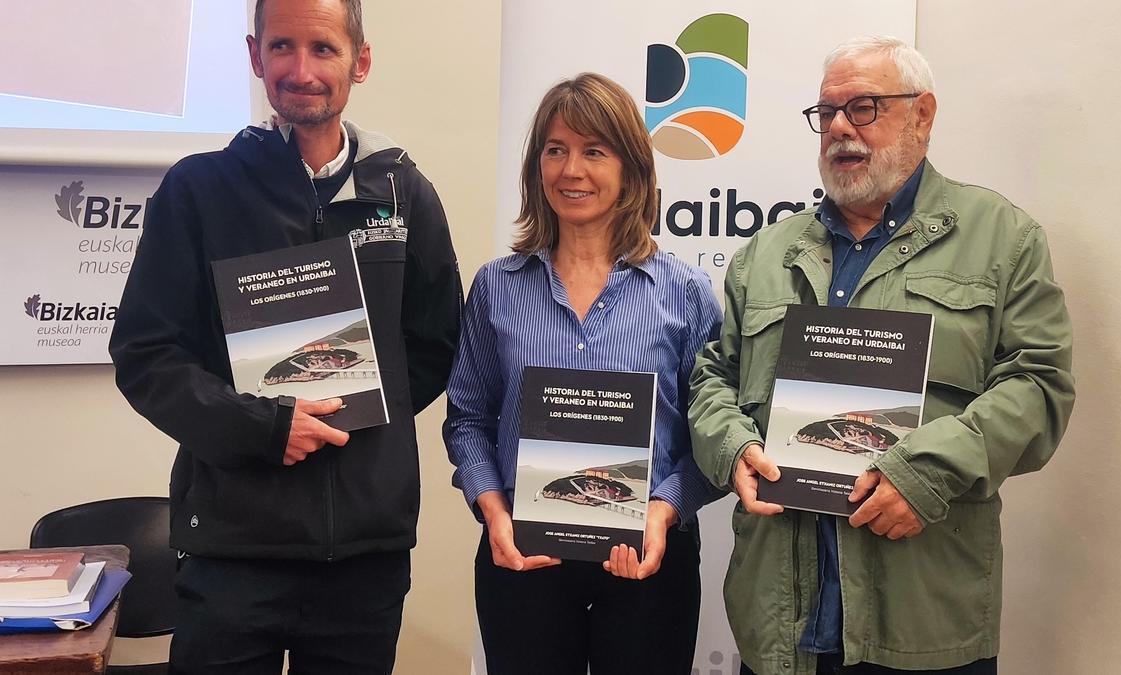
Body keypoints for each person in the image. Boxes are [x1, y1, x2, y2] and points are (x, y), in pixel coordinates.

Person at [688, 36, 1075, 675]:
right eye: (827, 112)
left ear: (922, 115)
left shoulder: (1002, 239)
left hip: (925, 615)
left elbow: (1039, 386)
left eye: (863, 107)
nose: (840, 128)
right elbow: (712, 377)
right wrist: (732, 447)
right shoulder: (766, 254)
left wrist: (924, 474)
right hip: (781, 624)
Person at [108, 0, 461, 672]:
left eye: (323, 48)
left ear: (360, 61)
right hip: (232, 553)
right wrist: (263, 428)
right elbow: (146, 355)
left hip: (366, 555)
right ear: (254, 55)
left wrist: (350, 412)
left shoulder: (404, 193)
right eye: (281, 47)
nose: (301, 70)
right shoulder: (199, 190)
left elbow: (436, 343)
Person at [443, 72, 723, 675]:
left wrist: (664, 510)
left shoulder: (687, 293)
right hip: (524, 560)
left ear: (631, 170)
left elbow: (715, 435)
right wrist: (493, 512)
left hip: (649, 559)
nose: (571, 170)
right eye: (556, 150)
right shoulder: (496, 287)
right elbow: (467, 420)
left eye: (594, 151)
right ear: (536, 166)